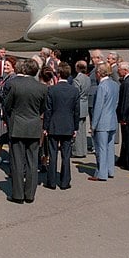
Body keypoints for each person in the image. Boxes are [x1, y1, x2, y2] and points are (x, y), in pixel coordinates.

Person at [4, 59, 47, 203]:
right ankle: (30, 194)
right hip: (34, 126)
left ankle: (18, 194)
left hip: (17, 125)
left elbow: (7, 105)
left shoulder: (15, 85)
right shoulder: (42, 88)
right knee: (32, 162)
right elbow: (43, 108)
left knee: (17, 161)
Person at [43, 62, 79, 190]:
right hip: (68, 125)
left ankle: (51, 182)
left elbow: (48, 110)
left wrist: (45, 127)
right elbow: (76, 111)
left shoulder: (52, 90)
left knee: (52, 155)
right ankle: (65, 182)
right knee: (66, 155)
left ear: (58, 74)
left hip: (54, 125)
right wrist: (75, 128)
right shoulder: (74, 91)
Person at [89, 63, 120, 182]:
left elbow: (98, 108)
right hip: (112, 119)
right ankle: (110, 170)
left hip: (103, 122)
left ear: (99, 74)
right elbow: (116, 102)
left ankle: (102, 173)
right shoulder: (114, 85)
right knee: (110, 147)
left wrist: (93, 125)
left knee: (101, 148)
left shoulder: (102, 87)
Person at [0, 55, 17, 165]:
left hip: (5, 110)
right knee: (1, 133)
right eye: (5, 64)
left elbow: (4, 93)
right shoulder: (7, 77)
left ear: (13, 67)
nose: (5, 66)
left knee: (2, 133)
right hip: (2, 109)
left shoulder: (12, 78)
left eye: (7, 65)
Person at [71, 60, 91, 158]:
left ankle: (78, 151)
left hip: (79, 105)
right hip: (85, 104)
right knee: (82, 130)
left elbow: (75, 94)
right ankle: (83, 149)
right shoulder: (87, 78)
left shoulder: (77, 80)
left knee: (78, 130)